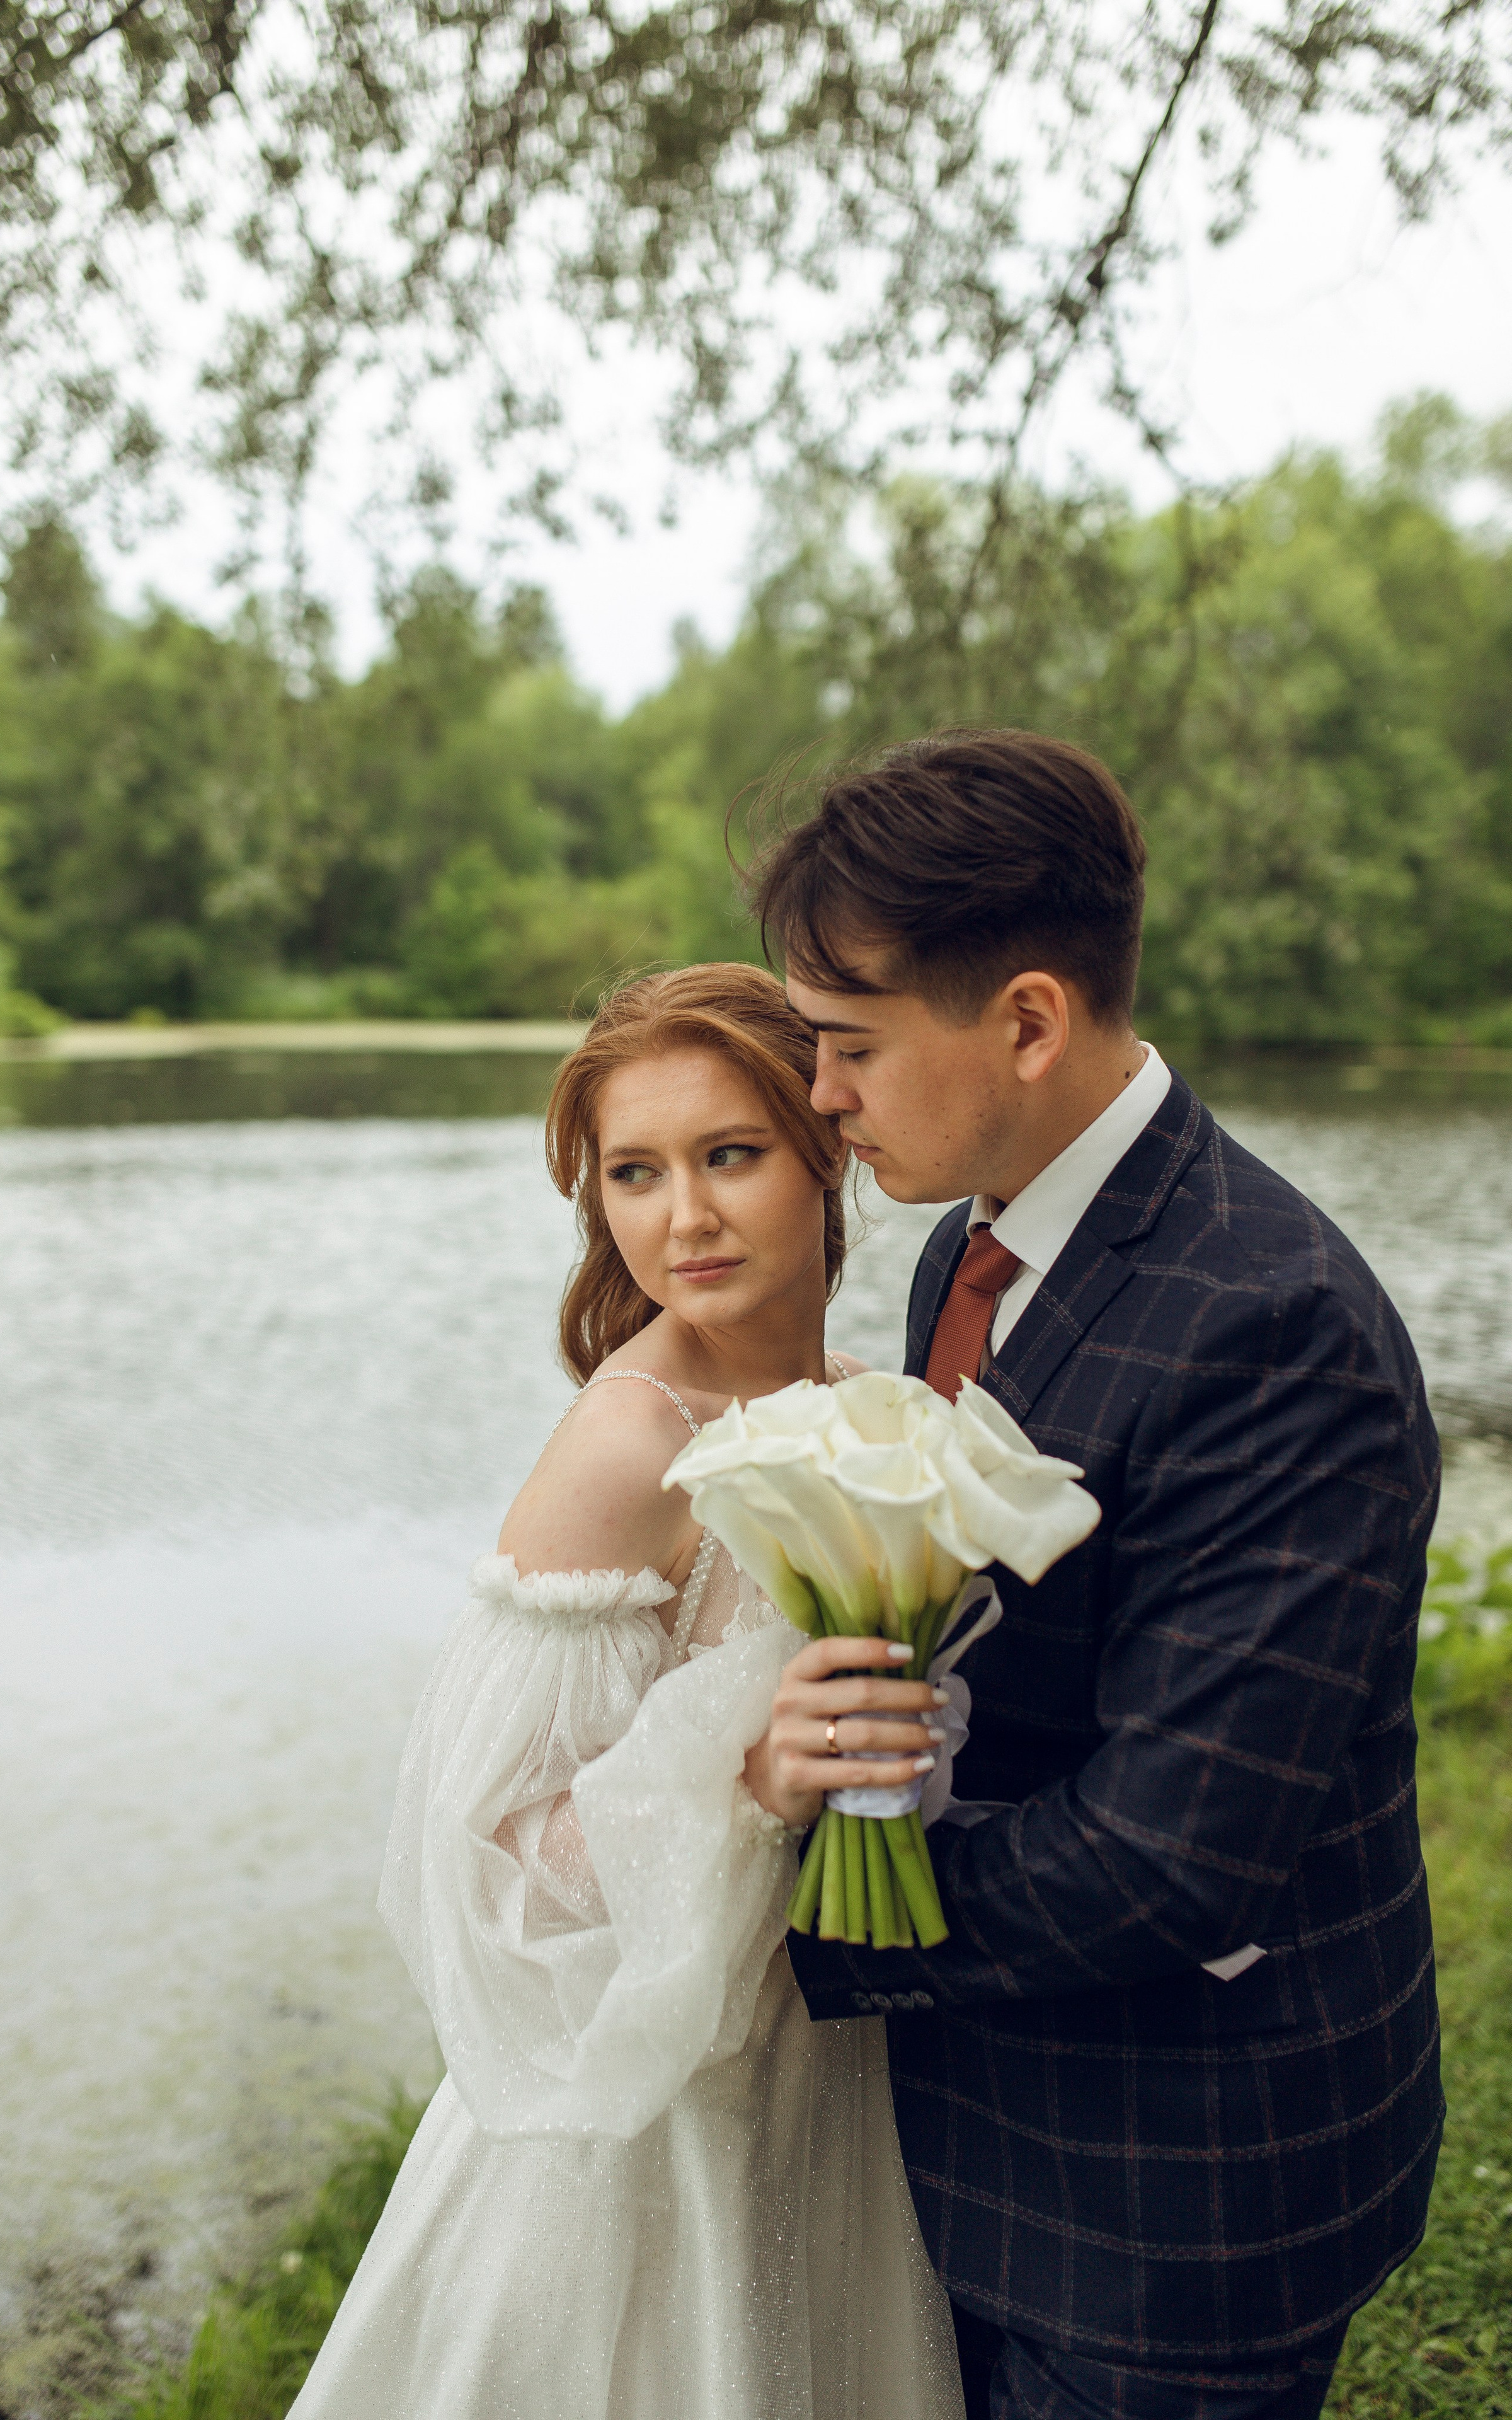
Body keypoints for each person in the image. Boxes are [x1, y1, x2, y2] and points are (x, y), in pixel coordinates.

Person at [743, 729, 1445, 2420]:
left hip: (1175, 2203)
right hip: (987, 2133)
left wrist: (795, 1939)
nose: (819, 1099)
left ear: (1031, 1021)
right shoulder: (963, 1249)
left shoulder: (1272, 1326)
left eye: (848, 1049)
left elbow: (1168, 1861)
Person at [287, 963, 966, 2420]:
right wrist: (746, 1785)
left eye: (731, 1155)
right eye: (634, 1175)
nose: (685, 1219)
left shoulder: (871, 1403)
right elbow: (487, 1870)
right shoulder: (625, 1446)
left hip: (837, 2065)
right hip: (654, 2125)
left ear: (824, 1147)